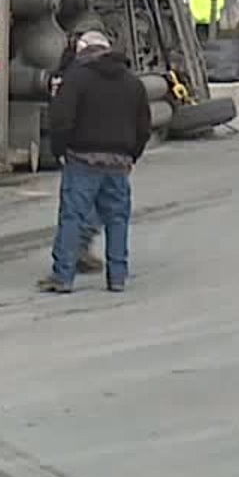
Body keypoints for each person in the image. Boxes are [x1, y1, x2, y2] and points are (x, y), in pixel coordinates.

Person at [40, 31, 153, 294]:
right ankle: (117, 277)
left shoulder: (76, 79)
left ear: (82, 51)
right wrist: (131, 155)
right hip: (119, 162)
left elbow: (61, 119)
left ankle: (63, 277)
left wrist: (59, 150)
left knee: (72, 217)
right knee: (117, 219)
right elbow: (144, 127)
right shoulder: (132, 83)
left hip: (81, 159)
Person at [49, 31, 104, 275]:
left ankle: (65, 263)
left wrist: (59, 149)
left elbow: (59, 117)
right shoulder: (114, 78)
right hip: (107, 152)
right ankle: (82, 252)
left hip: (78, 151)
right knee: (102, 203)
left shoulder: (68, 78)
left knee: (73, 207)